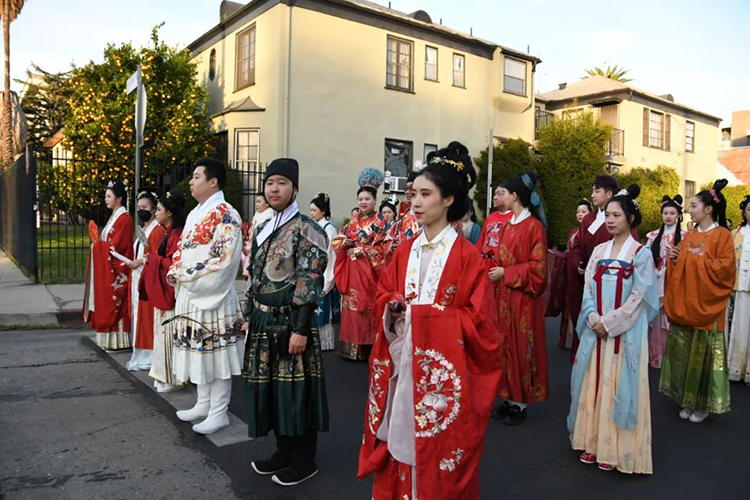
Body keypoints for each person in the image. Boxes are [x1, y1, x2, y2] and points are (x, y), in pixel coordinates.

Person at [357, 141, 501, 500]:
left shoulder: (468, 257)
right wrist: (392, 308)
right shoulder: (405, 250)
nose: (415, 203)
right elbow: (383, 295)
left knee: (439, 457)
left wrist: (424, 319)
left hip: (442, 381)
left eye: (425, 194)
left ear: (449, 199)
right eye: (413, 194)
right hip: (402, 369)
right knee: (399, 443)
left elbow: (483, 329)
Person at [244, 158, 329, 487]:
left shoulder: (308, 229)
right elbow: (255, 276)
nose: (274, 188)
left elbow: (309, 281)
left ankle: (304, 459)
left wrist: (299, 328)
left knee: (297, 392)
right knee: (273, 392)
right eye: (270, 182)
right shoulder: (264, 225)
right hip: (264, 322)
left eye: (282, 182)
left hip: (291, 323)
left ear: (295, 188)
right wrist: (250, 315)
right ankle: (283, 451)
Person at [568, 184, 657, 474]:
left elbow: (640, 298)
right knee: (593, 382)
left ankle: (617, 450)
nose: (609, 220)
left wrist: (610, 324)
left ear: (629, 219)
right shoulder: (599, 250)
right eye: (607, 214)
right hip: (597, 331)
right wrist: (593, 316)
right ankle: (592, 443)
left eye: (616, 215)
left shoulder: (640, 254)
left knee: (620, 384)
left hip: (625, 334)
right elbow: (588, 286)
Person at [169, 158, 244, 435]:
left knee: (219, 354)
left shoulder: (227, 214)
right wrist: (177, 269)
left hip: (215, 294)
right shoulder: (195, 213)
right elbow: (182, 247)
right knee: (200, 351)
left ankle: (219, 412)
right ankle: (203, 403)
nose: (191, 181)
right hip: (193, 290)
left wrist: (186, 274)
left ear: (213, 181)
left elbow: (225, 259)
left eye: (197, 176)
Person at [659, 179, 735, 423]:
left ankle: (702, 404)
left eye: (694, 205)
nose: (690, 210)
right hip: (687, 303)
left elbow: (724, 270)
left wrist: (688, 259)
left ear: (708, 209)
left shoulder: (722, 235)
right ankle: (686, 399)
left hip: (708, 306)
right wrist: (674, 259)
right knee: (686, 352)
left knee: (703, 356)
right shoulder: (690, 235)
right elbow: (682, 261)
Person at [490, 172, 549, 426]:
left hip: (523, 298)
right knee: (505, 347)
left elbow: (539, 270)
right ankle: (508, 396)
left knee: (522, 346)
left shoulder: (533, 227)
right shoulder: (506, 225)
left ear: (515, 196)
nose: (501, 196)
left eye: (505, 192)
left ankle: (521, 402)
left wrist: (507, 273)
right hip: (504, 296)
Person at [569, 175, 638, 359]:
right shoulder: (589, 219)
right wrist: (578, 263)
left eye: (597, 191)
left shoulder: (625, 225)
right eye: (593, 191)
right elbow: (576, 245)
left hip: (613, 287)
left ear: (609, 194)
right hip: (587, 279)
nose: (593, 195)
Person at [332, 168, 391, 361]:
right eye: (360, 199)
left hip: (369, 272)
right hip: (352, 270)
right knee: (351, 308)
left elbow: (384, 248)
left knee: (368, 308)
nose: (363, 202)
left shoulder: (381, 222)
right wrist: (344, 244)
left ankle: (369, 347)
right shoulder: (353, 222)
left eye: (367, 199)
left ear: (375, 200)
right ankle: (350, 347)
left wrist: (363, 251)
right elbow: (339, 239)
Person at [140, 188, 187, 393]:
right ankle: (164, 374)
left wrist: (153, 260)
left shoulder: (176, 235)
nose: (155, 213)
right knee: (162, 333)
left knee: (169, 333)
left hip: (171, 292)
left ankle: (173, 377)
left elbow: (173, 264)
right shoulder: (168, 233)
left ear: (169, 213)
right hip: (164, 290)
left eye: (158, 209)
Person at [84, 181, 134, 351]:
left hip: (118, 267)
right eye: (106, 196)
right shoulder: (115, 217)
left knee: (116, 302)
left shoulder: (124, 218)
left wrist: (99, 246)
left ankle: (120, 341)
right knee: (107, 301)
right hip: (109, 264)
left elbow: (117, 246)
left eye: (109, 196)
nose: (105, 199)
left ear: (119, 198)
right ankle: (109, 339)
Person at [645, 195, 686, 368]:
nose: (668, 216)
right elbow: (645, 256)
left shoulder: (685, 236)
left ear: (678, 215)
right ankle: (654, 355)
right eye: (665, 213)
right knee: (654, 318)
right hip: (655, 277)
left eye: (672, 213)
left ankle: (671, 358)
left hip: (674, 279)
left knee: (670, 317)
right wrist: (654, 271)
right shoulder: (654, 235)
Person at [126, 190, 165, 371]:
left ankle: (149, 354)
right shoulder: (144, 229)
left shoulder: (157, 230)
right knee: (140, 315)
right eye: (139, 208)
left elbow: (155, 255)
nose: (142, 211)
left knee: (147, 315)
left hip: (147, 276)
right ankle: (141, 351)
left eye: (145, 207)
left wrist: (141, 261)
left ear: (153, 208)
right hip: (138, 275)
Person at [558, 199, 593, 348]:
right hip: (571, 270)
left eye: (583, 211)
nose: (580, 214)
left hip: (583, 271)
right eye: (578, 211)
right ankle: (568, 338)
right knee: (569, 301)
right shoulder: (573, 231)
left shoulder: (591, 230)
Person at [310, 192, 340, 351]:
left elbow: (331, 256)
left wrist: (328, 281)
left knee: (324, 311)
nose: (312, 213)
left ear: (323, 211)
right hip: (314, 274)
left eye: (314, 210)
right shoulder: (316, 227)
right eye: (311, 210)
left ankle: (326, 342)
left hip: (324, 274)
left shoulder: (330, 230)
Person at [726, 195, 750, 384]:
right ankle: (734, 366)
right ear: (744, 211)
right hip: (736, 286)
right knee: (736, 325)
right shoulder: (734, 234)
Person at [476, 184, 513, 269]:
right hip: (485, 264)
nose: (495, 197)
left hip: (501, 266)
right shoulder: (491, 217)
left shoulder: (513, 217)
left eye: (499, 194)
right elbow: (481, 241)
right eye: (495, 194)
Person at [242, 195, 274, 277]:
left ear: (267, 204)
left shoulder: (268, 216)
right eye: (256, 202)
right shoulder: (257, 215)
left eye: (259, 202)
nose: (256, 204)